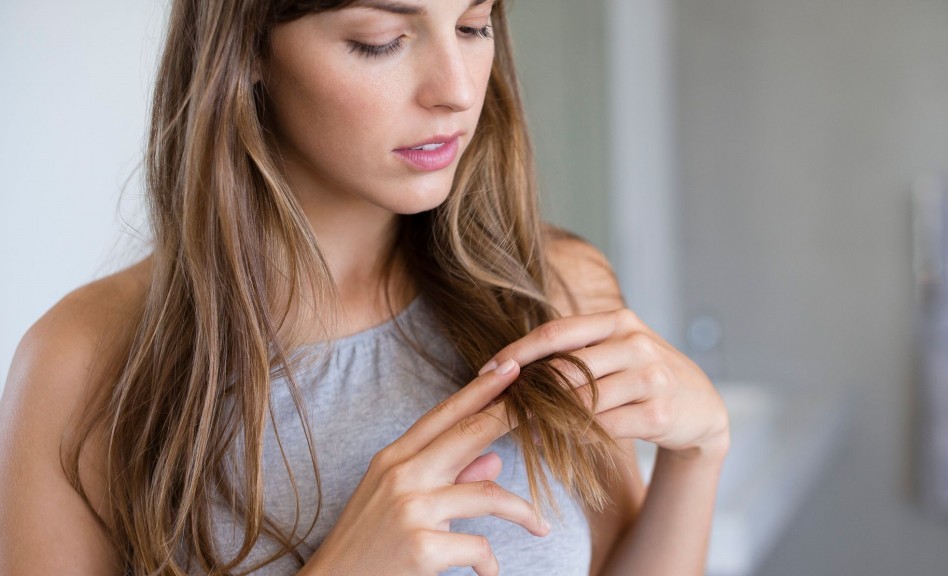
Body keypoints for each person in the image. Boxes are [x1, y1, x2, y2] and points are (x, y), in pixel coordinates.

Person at [0, 0, 730, 574]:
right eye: (382, 39)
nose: (456, 92)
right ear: (246, 45)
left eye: (475, 25)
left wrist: (699, 454)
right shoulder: (86, 361)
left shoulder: (552, 289)